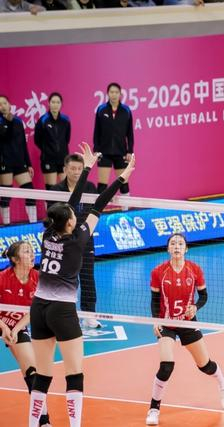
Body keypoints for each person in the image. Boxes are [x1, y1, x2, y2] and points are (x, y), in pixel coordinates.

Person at [28, 142, 135, 427]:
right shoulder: (79, 239)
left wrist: (87, 168)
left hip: (38, 308)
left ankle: (32, 423)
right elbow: (98, 204)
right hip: (62, 311)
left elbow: (71, 205)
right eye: (74, 216)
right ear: (70, 224)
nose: (77, 215)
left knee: (42, 375)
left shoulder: (48, 235)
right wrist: (121, 179)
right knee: (74, 374)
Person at [146, 233, 224, 425]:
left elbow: (203, 295)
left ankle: (223, 385)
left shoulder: (194, 269)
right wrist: (155, 320)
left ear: (186, 249)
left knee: (205, 365)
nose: (176, 246)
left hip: (188, 322)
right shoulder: (158, 272)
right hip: (167, 323)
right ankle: (154, 409)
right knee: (166, 366)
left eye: (180, 243)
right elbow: (155, 300)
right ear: (168, 249)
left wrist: (196, 307)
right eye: (173, 243)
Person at [0, 241, 51, 426]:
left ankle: (43, 421)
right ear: (15, 259)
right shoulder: (2, 278)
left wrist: (14, 329)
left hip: (17, 325)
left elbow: (33, 311)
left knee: (32, 371)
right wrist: (4, 328)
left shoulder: (38, 278)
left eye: (32, 251)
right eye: (26, 252)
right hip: (1, 322)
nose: (32, 254)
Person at [49, 154, 101, 328]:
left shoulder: (90, 187)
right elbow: (53, 216)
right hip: (64, 241)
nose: (76, 172)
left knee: (87, 276)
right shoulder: (56, 190)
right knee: (65, 278)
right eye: (72, 168)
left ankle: (89, 314)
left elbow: (95, 210)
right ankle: (66, 313)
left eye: (80, 168)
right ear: (65, 169)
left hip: (85, 239)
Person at [93, 82, 134, 205]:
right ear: (107, 93)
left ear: (120, 94)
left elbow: (130, 133)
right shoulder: (101, 109)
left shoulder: (126, 110)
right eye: (111, 92)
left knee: (123, 184)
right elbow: (97, 131)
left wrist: (130, 151)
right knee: (102, 186)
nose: (114, 94)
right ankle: (98, 212)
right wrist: (96, 150)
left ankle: (126, 211)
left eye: (116, 92)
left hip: (121, 152)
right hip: (104, 153)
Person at [0, 95, 37, 224]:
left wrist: (28, 164)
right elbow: (5, 136)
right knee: (6, 195)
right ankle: (6, 225)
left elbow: (23, 144)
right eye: (0, 104)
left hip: (19, 163)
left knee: (29, 191)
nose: (3, 106)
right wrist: (8, 121)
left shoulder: (18, 121)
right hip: (5, 163)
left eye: (4, 103)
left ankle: (33, 224)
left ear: (9, 104)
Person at [35, 92, 71, 190]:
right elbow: (37, 140)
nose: (55, 105)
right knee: (51, 189)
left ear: (61, 104)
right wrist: (47, 150)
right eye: (53, 102)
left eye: (58, 102)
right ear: (48, 103)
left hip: (63, 159)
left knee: (66, 188)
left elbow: (67, 139)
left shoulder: (66, 120)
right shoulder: (43, 120)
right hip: (48, 160)